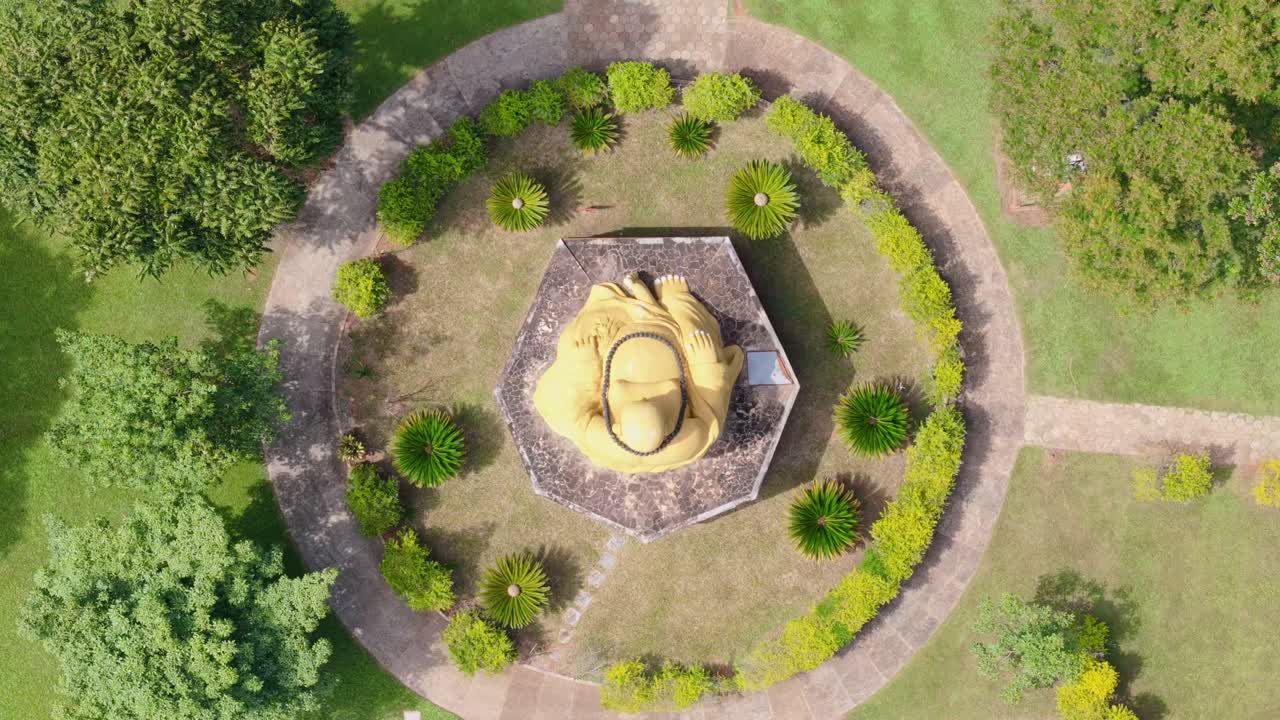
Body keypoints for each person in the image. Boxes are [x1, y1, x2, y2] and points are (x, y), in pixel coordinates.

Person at [533, 272, 743, 473]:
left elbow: (572, 415)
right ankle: (676, 302)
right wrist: (703, 365)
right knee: (699, 339)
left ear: (616, 429)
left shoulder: (602, 440)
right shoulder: (687, 441)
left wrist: (584, 366)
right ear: (671, 427)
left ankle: (645, 306)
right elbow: (712, 418)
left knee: (577, 342)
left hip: (613, 343)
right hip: (673, 341)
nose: (646, 395)